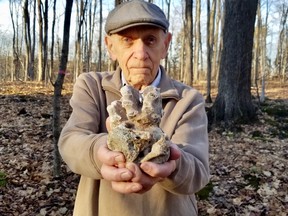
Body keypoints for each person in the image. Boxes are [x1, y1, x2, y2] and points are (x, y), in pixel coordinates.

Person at [58, 0, 210, 215]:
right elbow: (70, 141)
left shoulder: (187, 99)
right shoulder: (92, 86)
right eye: (127, 41)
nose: (140, 53)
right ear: (111, 46)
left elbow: (198, 173)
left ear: (165, 45)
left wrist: (173, 164)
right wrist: (104, 147)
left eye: (150, 40)